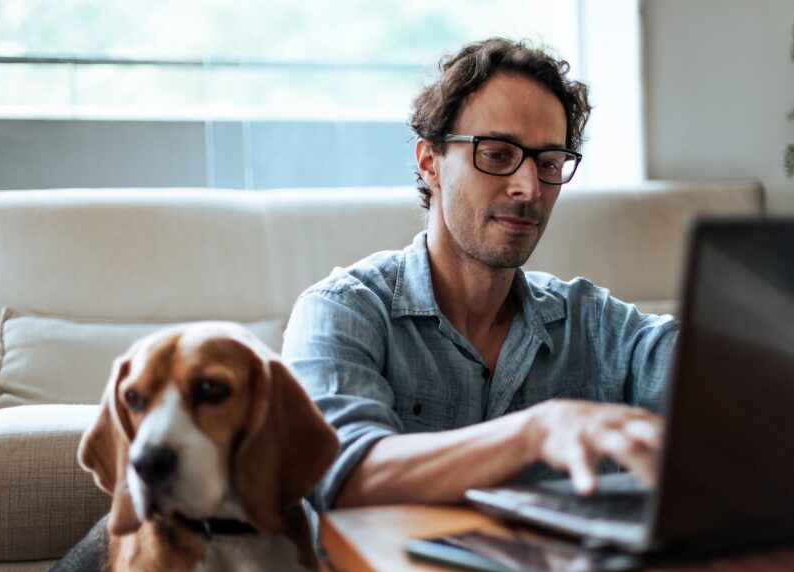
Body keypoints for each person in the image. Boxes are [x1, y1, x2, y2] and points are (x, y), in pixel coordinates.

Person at [282, 38, 678, 513]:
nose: (528, 187)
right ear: (430, 163)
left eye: (549, 162)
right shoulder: (342, 311)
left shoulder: (590, 323)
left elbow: (717, 371)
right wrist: (536, 432)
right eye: (496, 154)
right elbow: (339, 473)